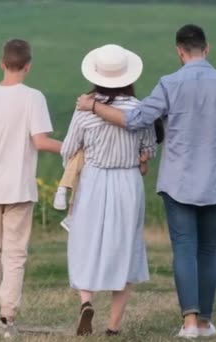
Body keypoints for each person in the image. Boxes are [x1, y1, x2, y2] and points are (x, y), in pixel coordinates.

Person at [76, 25, 216, 338]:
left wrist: (93, 106)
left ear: (179, 52)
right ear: (206, 49)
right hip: (215, 181)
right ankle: (206, 323)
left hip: (178, 182)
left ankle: (188, 324)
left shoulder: (169, 84)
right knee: (209, 252)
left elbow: (134, 120)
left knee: (184, 249)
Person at [0, 38, 62, 338]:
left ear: (2, 63)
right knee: (15, 254)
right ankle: (8, 319)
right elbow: (41, 141)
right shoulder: (33, 98)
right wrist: (71, 147)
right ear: (28, 65)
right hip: (19, 188)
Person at [63, 44, 157, 337]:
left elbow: (67, 150)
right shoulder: (140, 109)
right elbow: (149, 150)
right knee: (125, 247)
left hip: (93, 180)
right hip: (128, 181)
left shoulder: (84, 110)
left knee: (84, 241)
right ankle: (114, 325)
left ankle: (87, 301)